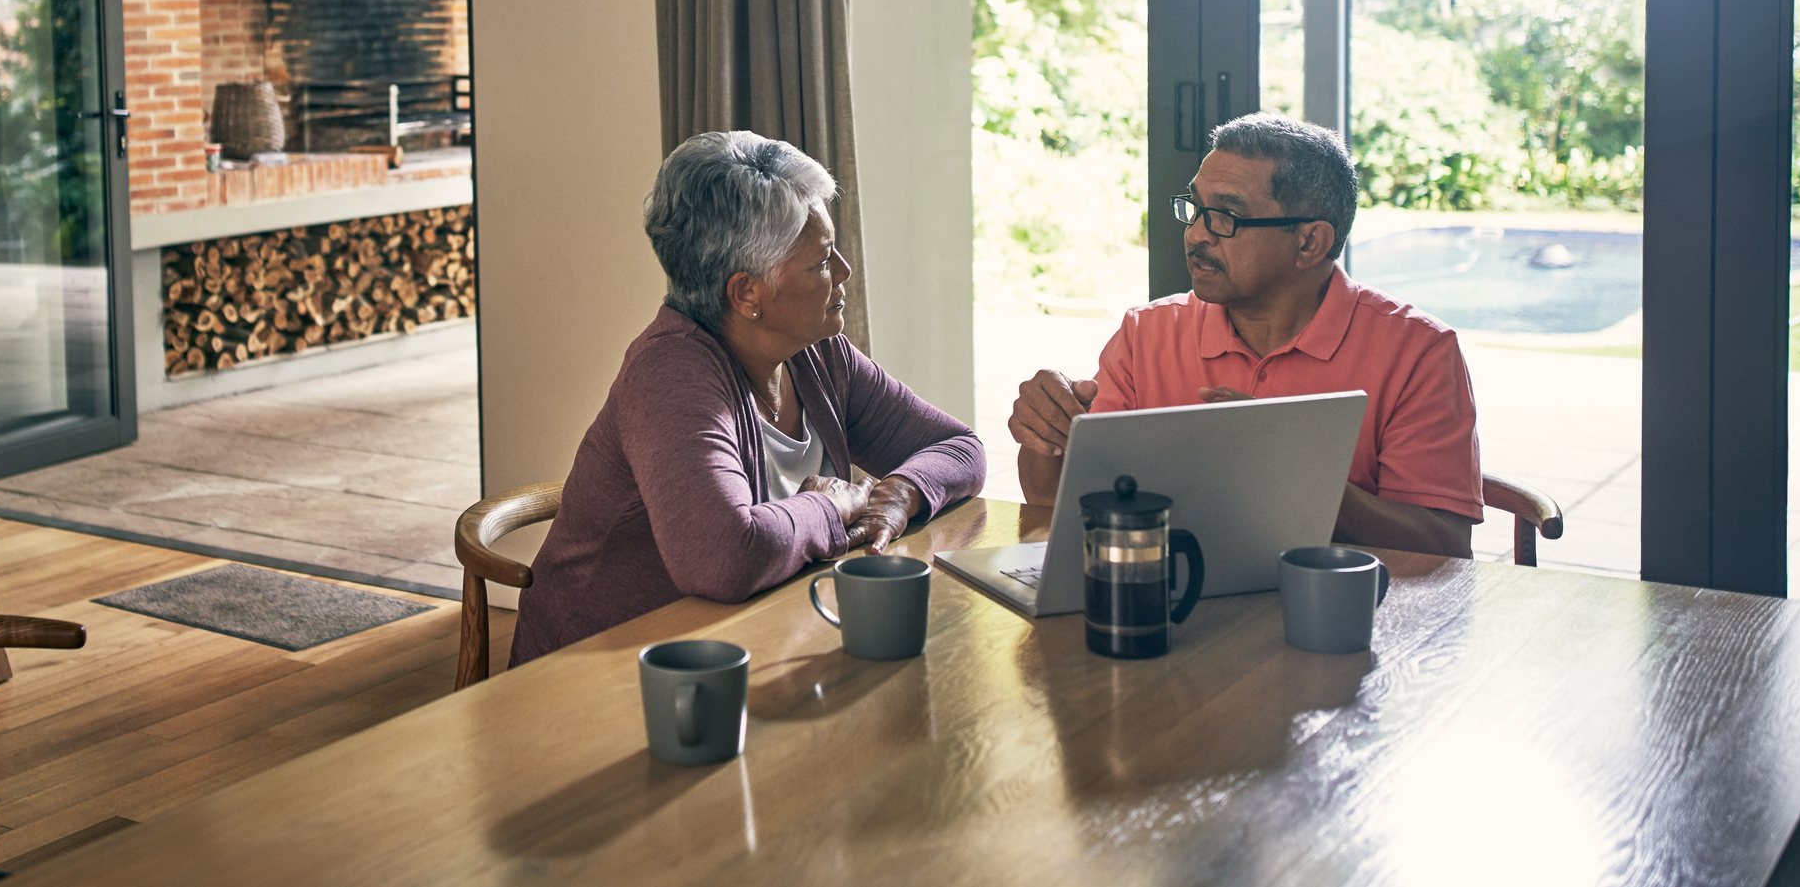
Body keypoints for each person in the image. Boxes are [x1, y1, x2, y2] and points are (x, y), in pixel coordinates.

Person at [510, 131, 986, 664]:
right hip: (599, 673)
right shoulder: (669, 375)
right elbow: (722, 556)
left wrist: (901, 491)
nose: (845, 272)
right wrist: (832, 505)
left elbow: (960, 447)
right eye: (823, 262)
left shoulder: (819, 355)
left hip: (743, 644)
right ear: (747, 294)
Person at [1009, 113, 1481, 558]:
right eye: (1195, 208)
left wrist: (1293, 474)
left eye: (1226, 216)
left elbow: (1443, 546)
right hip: (1179, 600)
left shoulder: (1417, 350)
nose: (1196, 234)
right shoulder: (1146, 334)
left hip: (1336, 613)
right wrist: (1046, 435)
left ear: (1310, 243)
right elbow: (1054, 506)